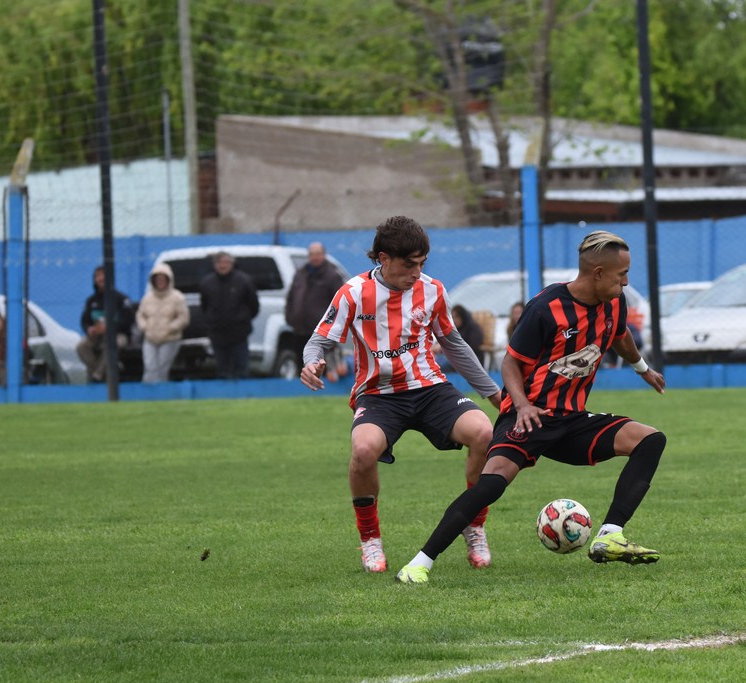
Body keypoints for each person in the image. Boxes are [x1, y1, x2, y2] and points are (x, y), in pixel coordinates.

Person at [395, 229, 668, 585]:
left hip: (571, 421)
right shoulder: (546, 307)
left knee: (649, 440)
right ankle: (418, 564)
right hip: (529, 417)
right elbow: (510, 362)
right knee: (490, 485)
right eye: (622, 274)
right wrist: (522, 407)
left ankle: (609, 536)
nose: (626, 282)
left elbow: (619, 334)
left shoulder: (614, 302)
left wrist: (642, 368)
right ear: (598, 272)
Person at [299, 215, 503, 574]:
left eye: (422, 264)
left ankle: (474, 526)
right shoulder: (353, 293)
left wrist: (494, 395)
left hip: (430, 389)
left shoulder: (432, 290)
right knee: (363, 451)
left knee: (484, 433)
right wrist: (311, 362)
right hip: (378, 395)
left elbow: (454, 345)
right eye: (409, 265)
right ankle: (370, 540)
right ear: (383, 258)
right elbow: (319, 340)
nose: (416, 273)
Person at [286, 241, 348, 382]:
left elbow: (340, 302)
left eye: (318, 254)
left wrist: (332, 324)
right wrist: (290, 317)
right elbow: (291, 298)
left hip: (321, 330)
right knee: (301, 363)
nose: (315, 257)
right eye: (312, 254)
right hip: (300, 329)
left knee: (323, 365)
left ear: (324, 255)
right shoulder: (301, 274)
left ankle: (327, 386)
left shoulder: (332, 276)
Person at [199, 251, 259, 379]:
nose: (222, 265)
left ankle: (242, 390)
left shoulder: (244, 281)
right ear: (214, 264)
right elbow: (204, 306)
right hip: (217, 334)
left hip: (239, 334)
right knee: (222, 369)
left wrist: (242, 320)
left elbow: (253, 305)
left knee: (241, 368)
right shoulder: (207, 283)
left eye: (225, 262)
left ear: (232, 264)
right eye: (219, 262)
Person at [76, 266, 135, 383]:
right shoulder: (91, 301)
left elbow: (129, 320)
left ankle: (98, 375)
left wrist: (110, 327)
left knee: (112, 343)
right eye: (98, 276)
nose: (101, 278)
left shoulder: (121, 299)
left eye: (103, 275)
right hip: (96, 336)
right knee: (81, 346)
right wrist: (89, 329)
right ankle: (100, 372)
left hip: (118, 335)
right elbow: (84, 321)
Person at [135, 262, 190, 383]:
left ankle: (161, 391)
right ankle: (148, 391)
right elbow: (140, 315)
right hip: (150, 338)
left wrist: (170, 328)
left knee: (161, 369)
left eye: (163, 279)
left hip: (170, 338)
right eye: (158, 279)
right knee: (150, 367)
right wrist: (145, 327)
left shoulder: (177, 297)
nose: (160, 282)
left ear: (169, 280)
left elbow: (183, 317)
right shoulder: (147, 298)